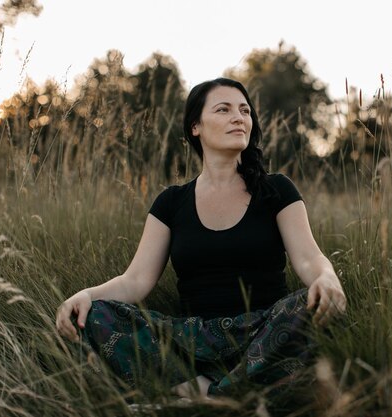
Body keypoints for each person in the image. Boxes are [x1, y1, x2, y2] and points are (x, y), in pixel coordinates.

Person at [55, 77, 347, 398]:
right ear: (196, 126)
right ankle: (233, 397)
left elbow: (308, 258)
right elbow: (135, 280)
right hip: (192, 341)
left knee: (308, 305)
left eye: (245, 110)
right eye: (223, 109)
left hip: (266, 334)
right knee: (95, 314)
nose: (239, 117)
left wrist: (327, 277)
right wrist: (87, 294)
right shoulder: (171, 202)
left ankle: (202, 398)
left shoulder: (276, 189)